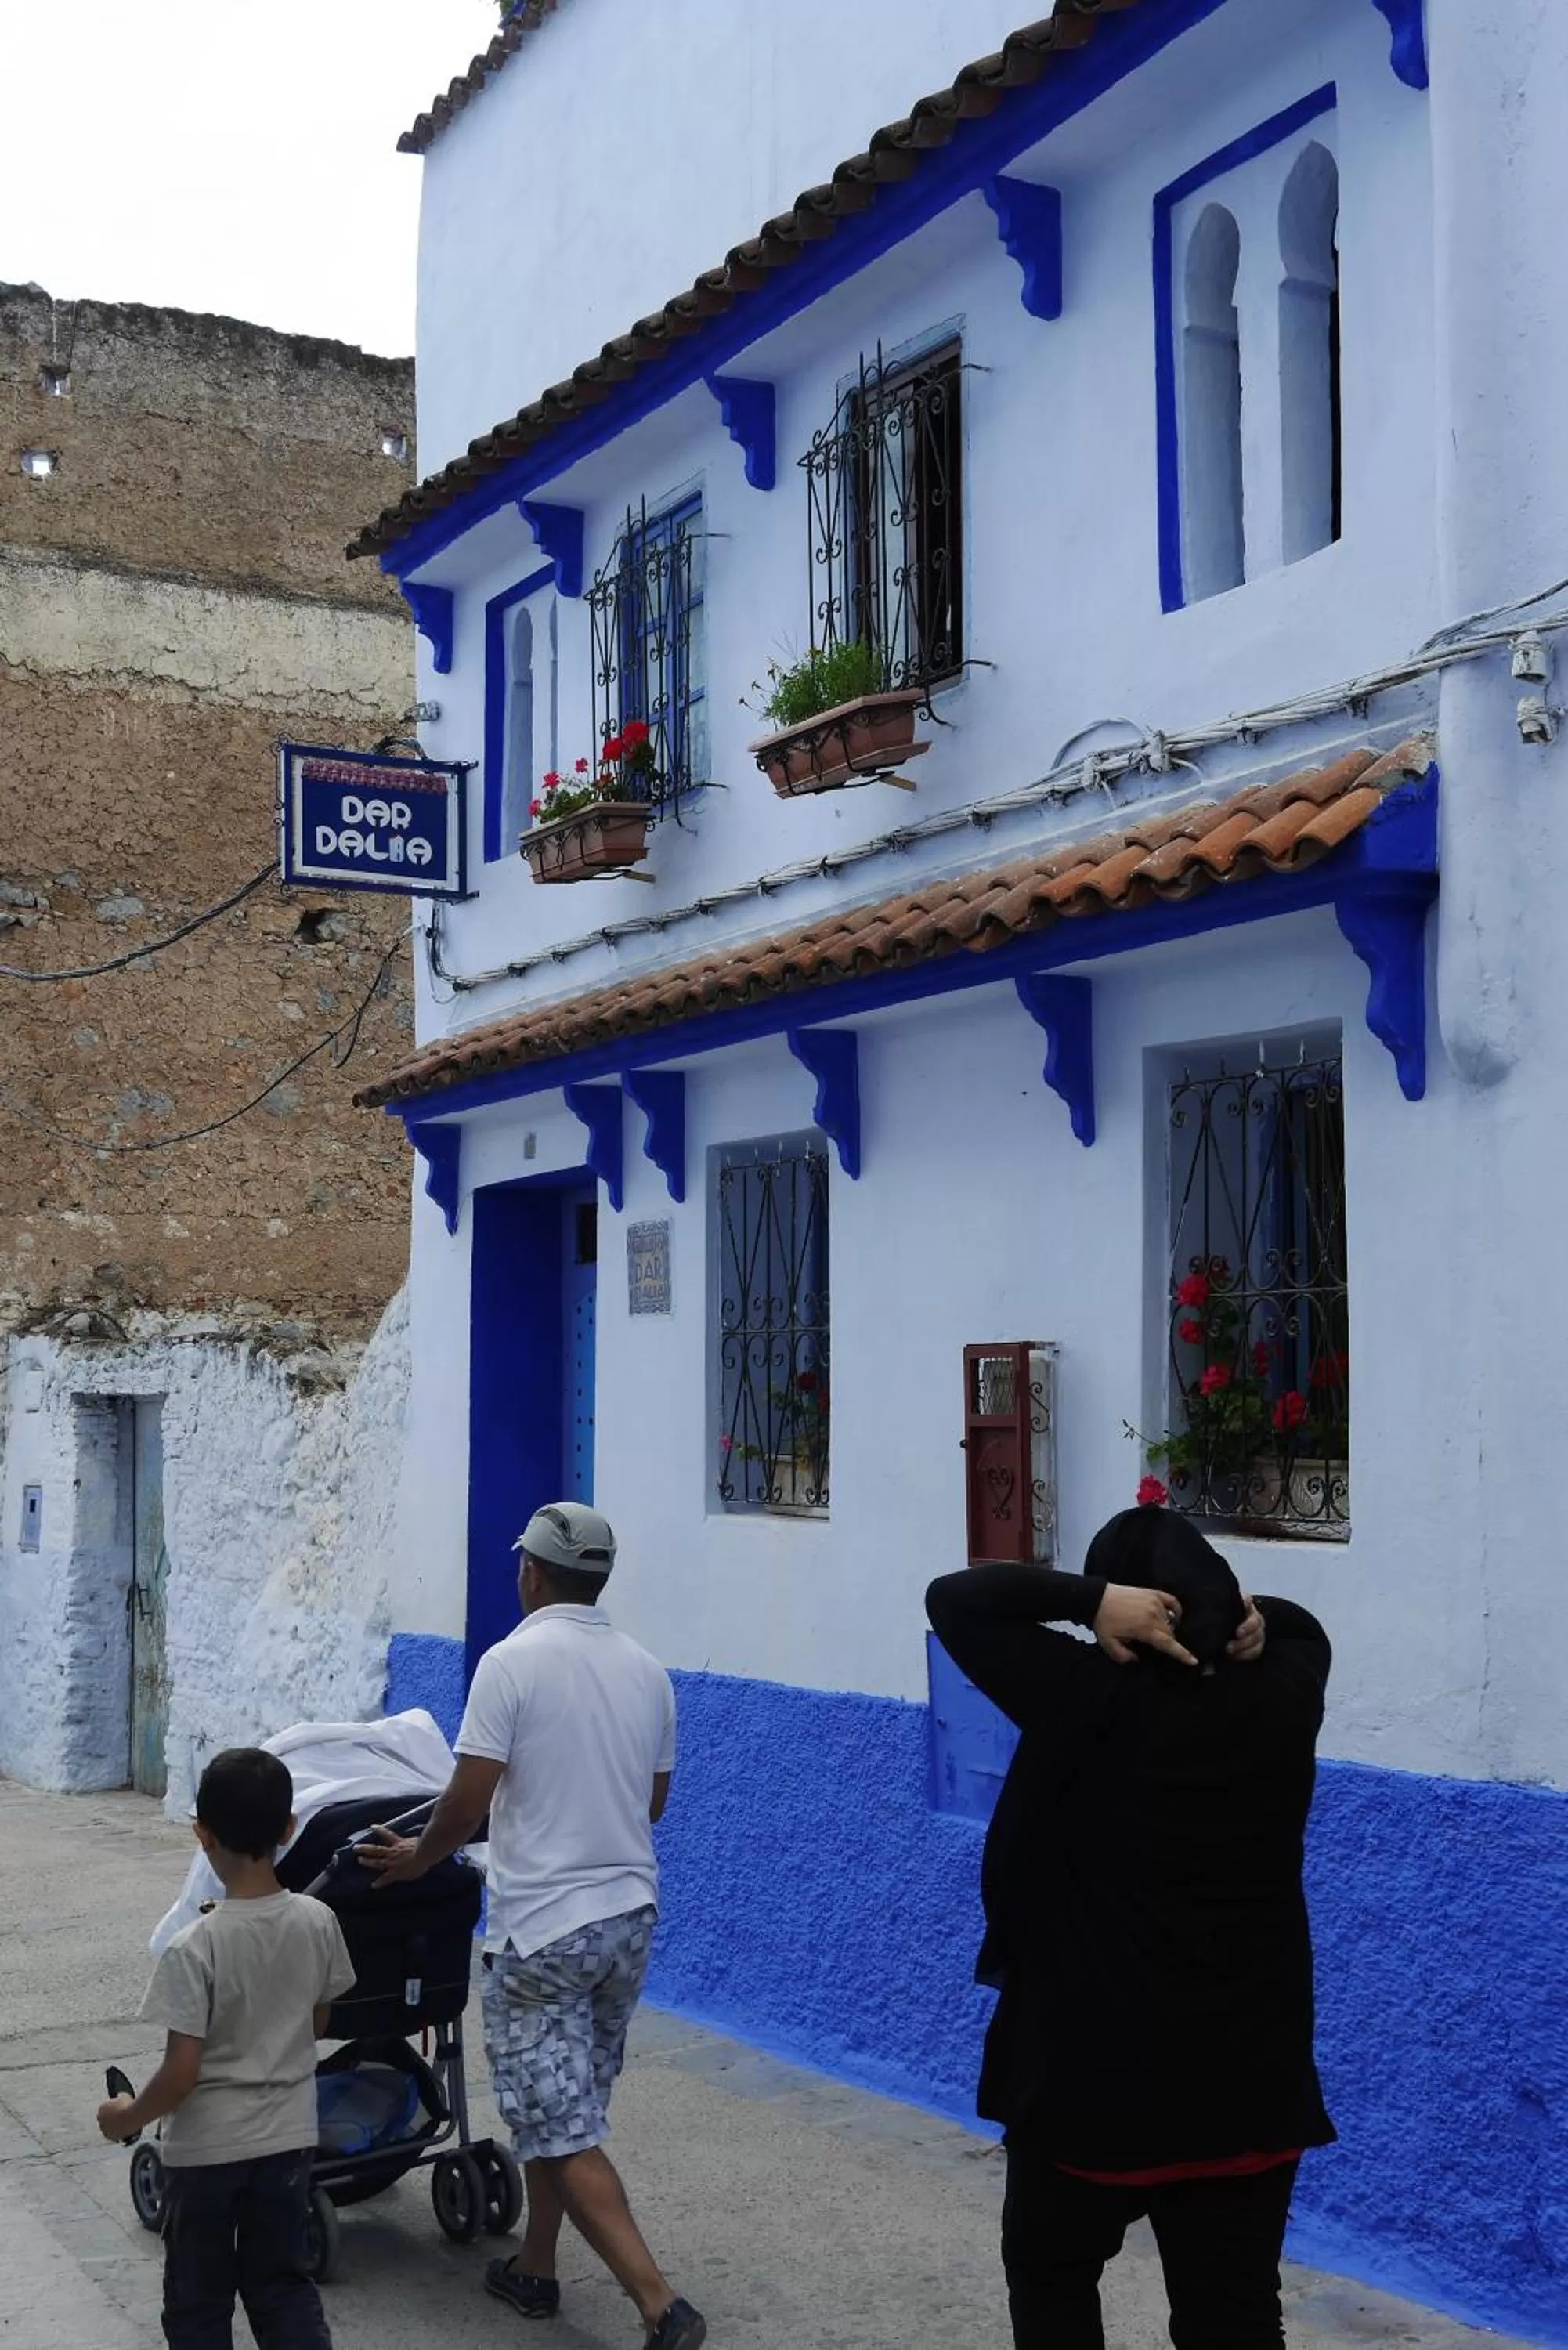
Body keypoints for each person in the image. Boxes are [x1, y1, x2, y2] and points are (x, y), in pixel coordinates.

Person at [926, 1504, 1335, 2350]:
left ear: (1133, 1603)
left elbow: (956, 1599)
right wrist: (1243, 1614)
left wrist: (1086, 1600)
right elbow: (1306, 1630)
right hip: (1248, 2095)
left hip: (1093, 2093)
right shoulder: (1285, 1691)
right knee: (1237, 2319)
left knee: (1051, 2280)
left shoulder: (1081, 1692)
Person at [360, 1501, 705, 2348]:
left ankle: (660, 2304)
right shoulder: (648, 1671)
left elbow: (468, 1800)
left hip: (544, 1928)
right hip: (628, 1918)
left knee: (558, 2124)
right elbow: (652, 1802)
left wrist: (416, 1857)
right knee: (569, 2111)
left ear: (532, 1572)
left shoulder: (508, 1665)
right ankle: (536, 2267)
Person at [97, 1747, 356, 2350]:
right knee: (283, 2288)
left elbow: (182, 2073)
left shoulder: (194, 1946)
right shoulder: (319, 1921)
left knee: (199, 2302)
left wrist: (126, 2117)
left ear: (201, 1834)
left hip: (207, 2154)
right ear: (290, 1828)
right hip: (289, 2142)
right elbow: (317, 2022)